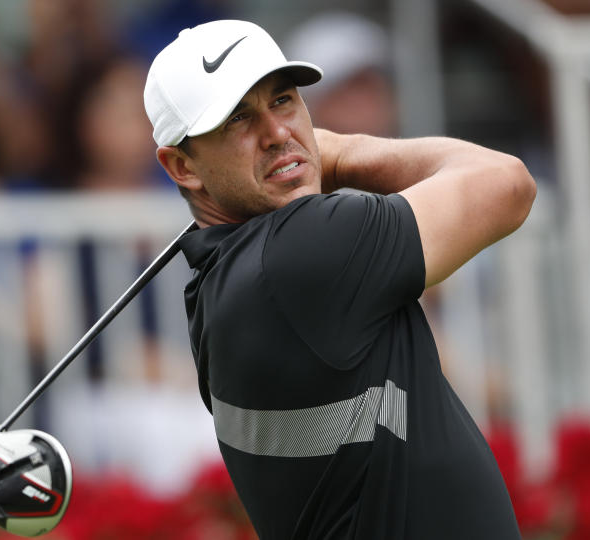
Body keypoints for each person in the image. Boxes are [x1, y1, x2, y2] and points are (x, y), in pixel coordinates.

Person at [144, 19, 536, 539]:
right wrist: (342, 152)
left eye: (283, 100)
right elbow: (508, 184)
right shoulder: (302, 249)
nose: (278, 133)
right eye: (238, 118)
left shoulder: (218, 283)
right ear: (182, 167)